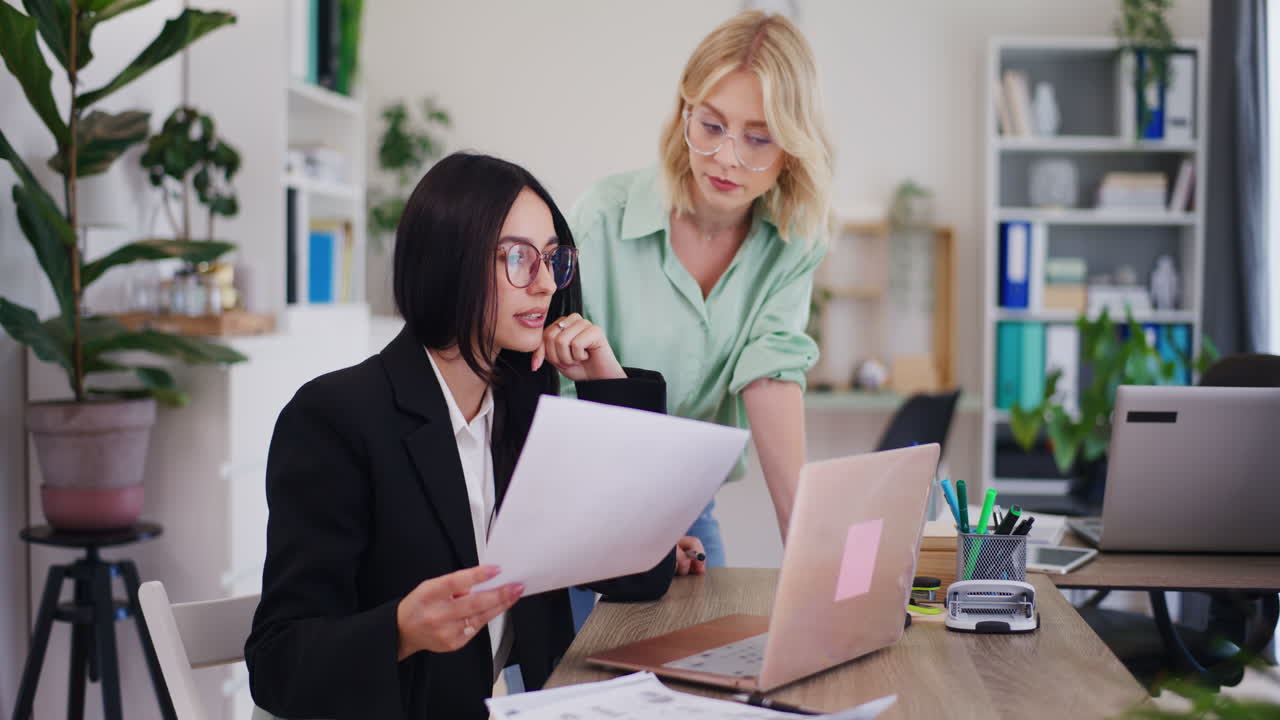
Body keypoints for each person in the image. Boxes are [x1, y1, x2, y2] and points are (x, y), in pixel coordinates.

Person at [245, 153, 699, 719]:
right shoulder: (335, 418)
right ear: (447, 263)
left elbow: (639, 577)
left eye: (553, 259)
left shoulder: (523, 403)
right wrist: (400, 631)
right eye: (516, 257)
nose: (543, 283)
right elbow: (277, 664)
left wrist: (606, 382)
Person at [569, 11, 835, 565]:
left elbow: (772, 376)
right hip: (583, 503)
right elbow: (561, 400)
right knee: (580, 654)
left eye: (758, 138)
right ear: (683, 113)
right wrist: (637, 524)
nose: (726, 158)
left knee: (705, 646)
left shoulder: (791, 241)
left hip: (687, 510)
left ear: (790, 148)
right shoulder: (601, 221)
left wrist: (810, 555)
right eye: (711, 126)